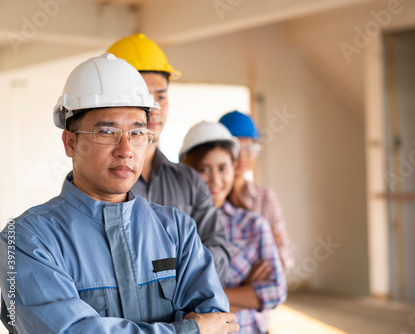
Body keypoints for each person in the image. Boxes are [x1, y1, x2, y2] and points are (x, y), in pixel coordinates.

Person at [0, 54, 239, 334]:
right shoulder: (27, 240)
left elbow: (219, 323)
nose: (125, 149)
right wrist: (188, 329)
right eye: (107, 131)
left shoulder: (176, 229)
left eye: (137, 133)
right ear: (70, 143)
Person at [107, 34, 231, 283]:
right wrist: (187, 265)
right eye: (142, 95)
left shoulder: (189, 181)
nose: (155, 108)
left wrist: (161, 270)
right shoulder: (100, 182)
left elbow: (221, 260)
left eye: (161, 96)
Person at [180, 121, 287, 334]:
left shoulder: (253, 225)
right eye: (203, 169)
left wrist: (202, 303)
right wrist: (244, 293)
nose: (215, 180)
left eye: (223, 168)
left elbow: (276, 290)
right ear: (187, 171)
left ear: (233, 168)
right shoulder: (176, 225)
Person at [219, 111, 295, 271]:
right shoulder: (210, 196)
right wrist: (262, 247)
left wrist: (266, 266)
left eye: (249, 148)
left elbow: (286, 252)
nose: (242, 157)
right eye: (235, 148)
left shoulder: (265, 196)